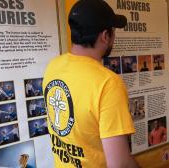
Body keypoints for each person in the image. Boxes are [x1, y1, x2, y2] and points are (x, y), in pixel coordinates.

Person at [42, 1, 139, 168]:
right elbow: (120, 164)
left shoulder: (53, 66)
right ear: (105, 36)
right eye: (113, 32)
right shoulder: (108, 84)